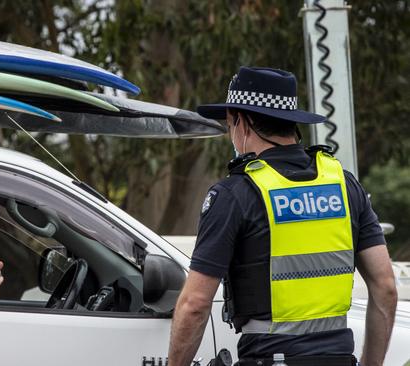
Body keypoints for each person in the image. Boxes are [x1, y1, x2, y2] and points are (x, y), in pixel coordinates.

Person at [168, 67, 398, 366]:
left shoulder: (236, 193)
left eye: (229, 121)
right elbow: (386, 288)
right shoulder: (344, 185)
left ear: (243, 122)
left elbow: (195, 304)